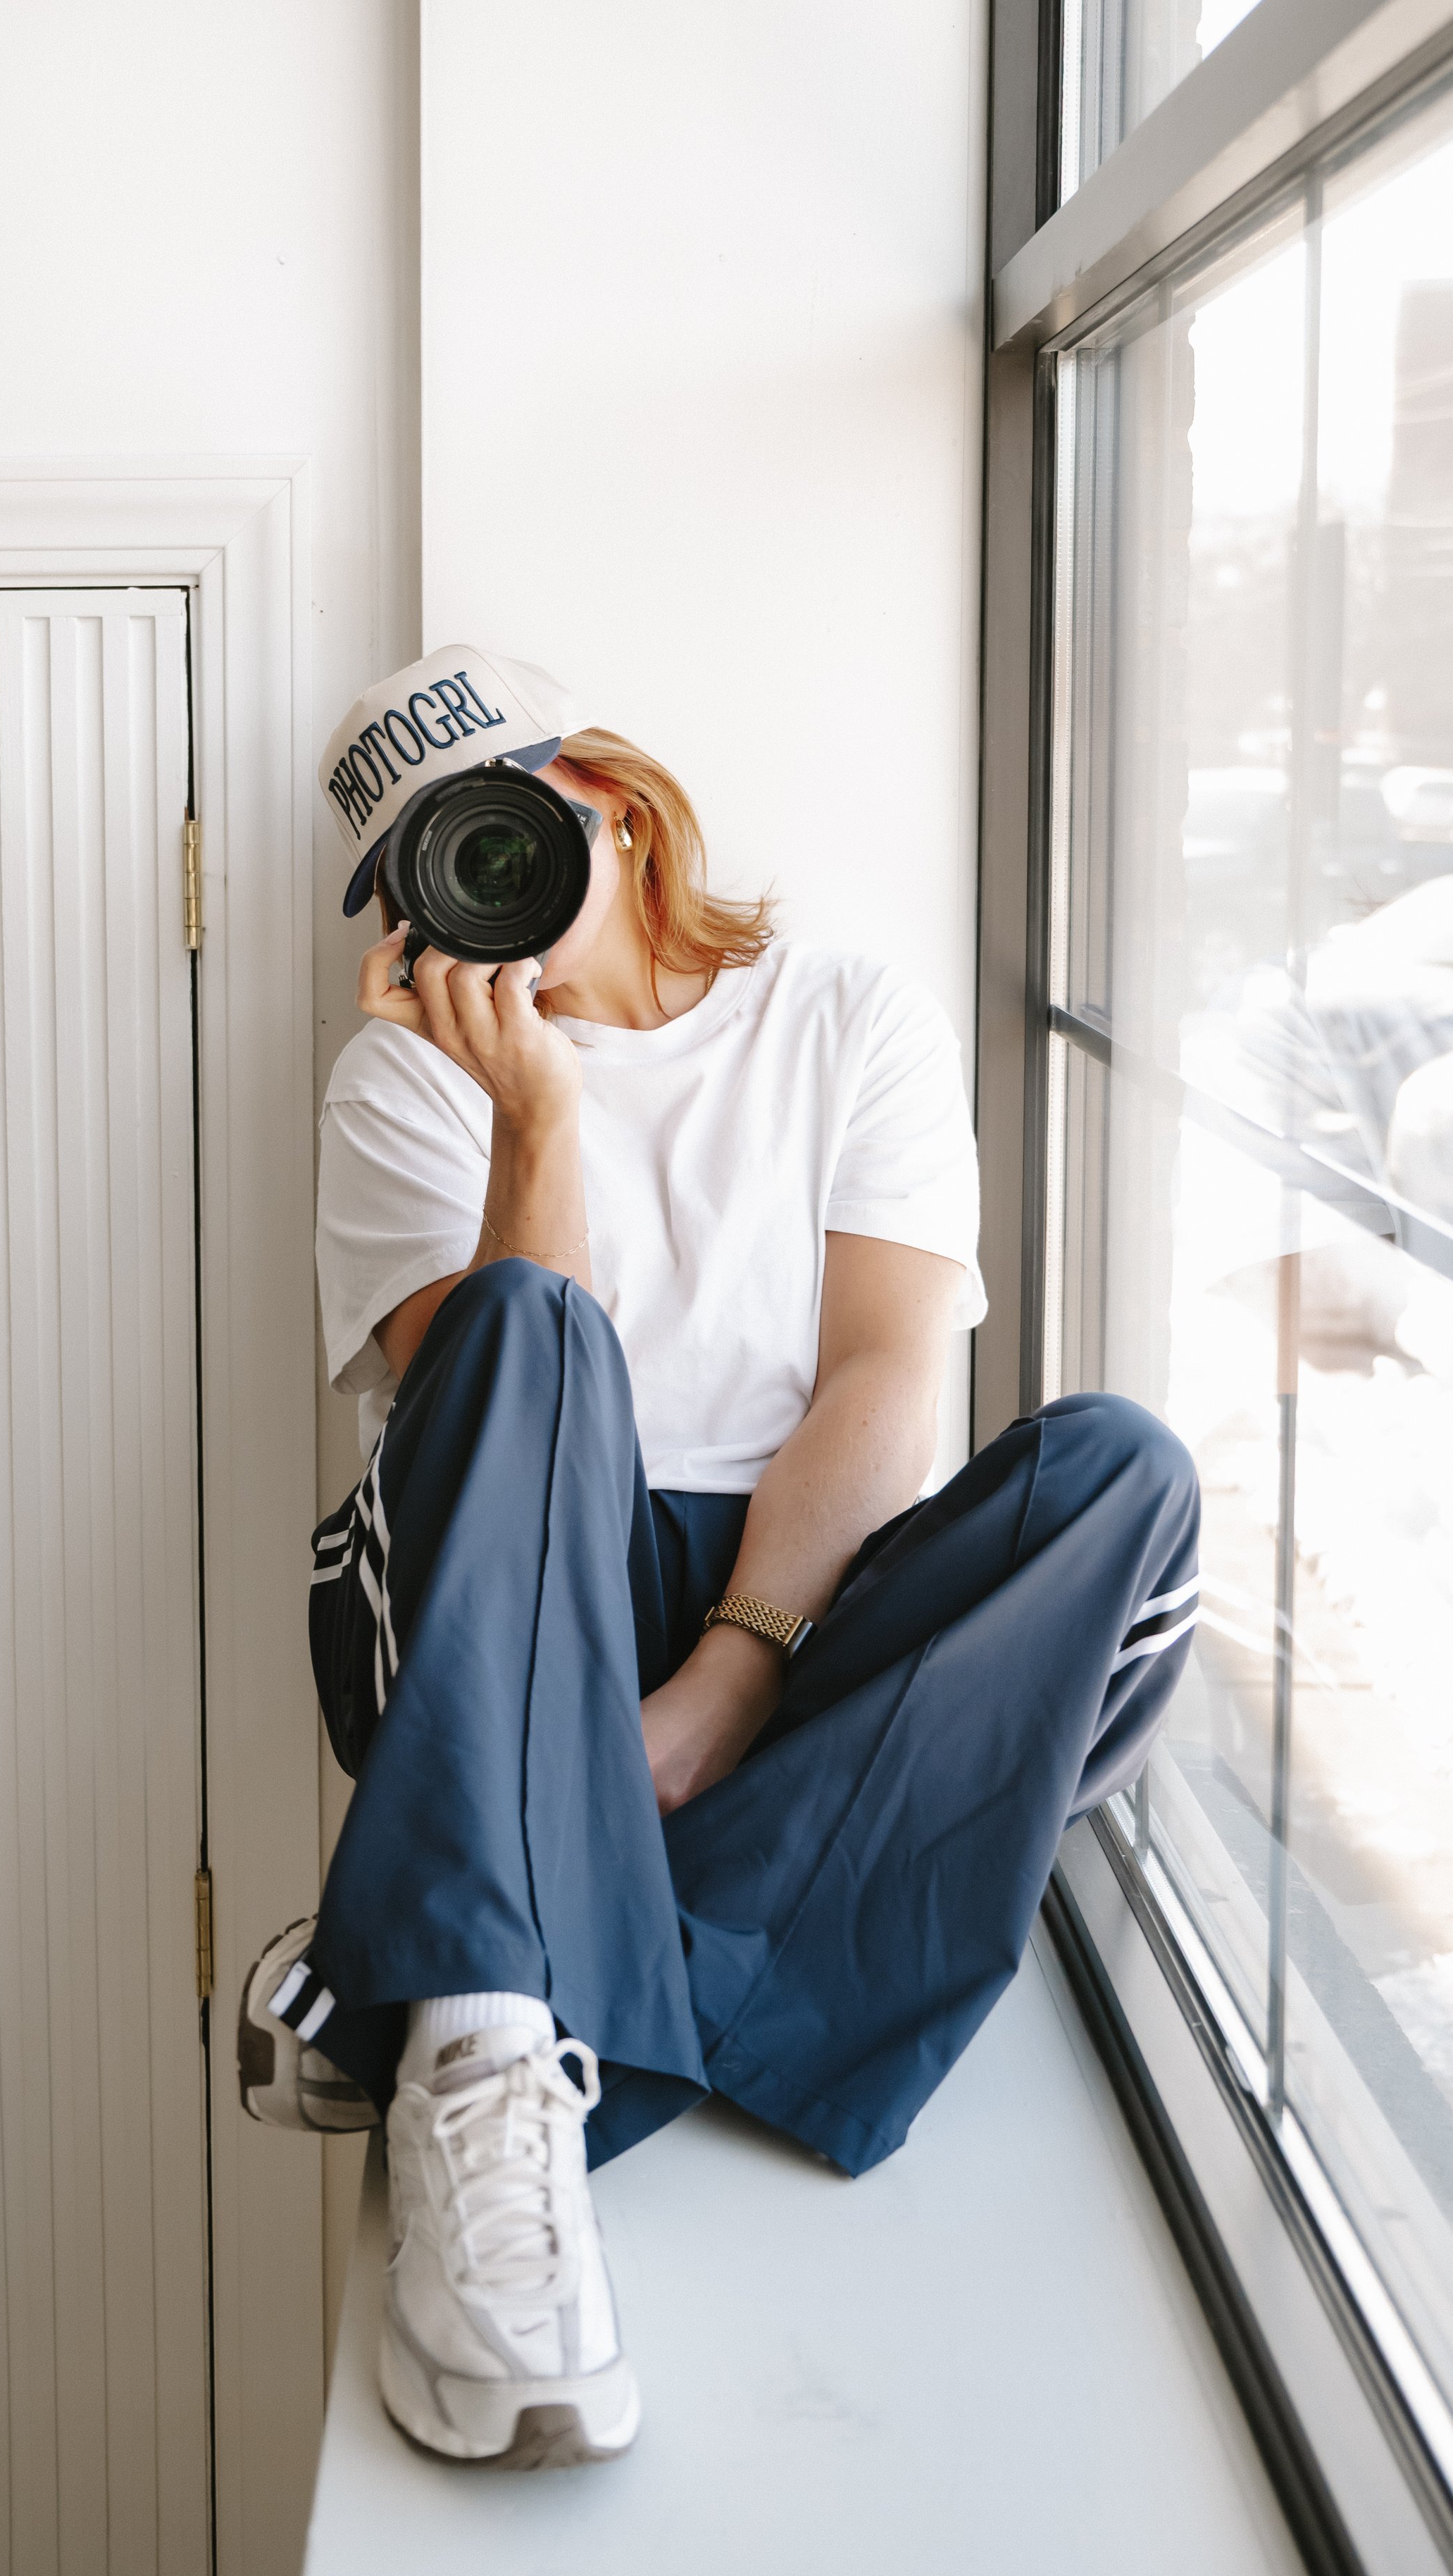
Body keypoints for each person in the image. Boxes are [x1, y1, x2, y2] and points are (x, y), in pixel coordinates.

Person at [238, 647, 1201, 2472]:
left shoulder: (844, 1012)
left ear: (609, 800)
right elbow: (495, 1419)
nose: (482, 886)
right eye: (434, 865)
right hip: (519, 1609)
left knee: (1119, 1481)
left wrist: (724, 1687)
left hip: (795, 1595)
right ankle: (514, 2036)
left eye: (502, 824)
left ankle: (474, 1972)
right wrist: (534, 1109)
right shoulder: (400, 1084)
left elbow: (883, 1376)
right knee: (530, 1323)